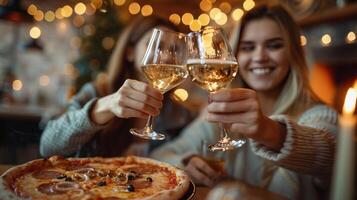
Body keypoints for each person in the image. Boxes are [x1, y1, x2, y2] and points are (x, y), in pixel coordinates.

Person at [150, 3, 337, 200]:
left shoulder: (321, 116)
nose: (259, 57)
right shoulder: (223, 114)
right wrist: (186, 162)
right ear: (235, 56)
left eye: (274, 45)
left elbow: (331, 156)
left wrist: (270, 131)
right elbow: (161, 156)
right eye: (248, 47)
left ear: (293, 53)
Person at [40, 16, 195, 158]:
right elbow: (47, 146)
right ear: (130, 53)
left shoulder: (179, 115)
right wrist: (105, 106)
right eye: (156, 45)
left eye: (175, 49)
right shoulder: (96, 92)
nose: (167, 56)